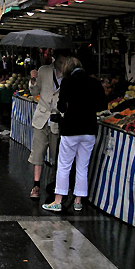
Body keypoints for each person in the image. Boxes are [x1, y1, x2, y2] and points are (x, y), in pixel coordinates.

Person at [42, 58, 107, 212]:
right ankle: (78, 201)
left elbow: (61, 107)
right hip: (89, 129)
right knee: (82, 166)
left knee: (64, 165)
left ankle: (58, 200)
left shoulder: (67, 82)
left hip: (71, 128)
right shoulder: (95, 83)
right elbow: (103, 105)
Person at [28, 49, 71, 199]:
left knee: (57, 156)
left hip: (58, 119)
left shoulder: (69, 74)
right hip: (41, 117)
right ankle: (36, 185)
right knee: (38, 153)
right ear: (55, 60)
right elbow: (34, 92)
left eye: (65, 62)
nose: (62, 65)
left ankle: (55, 186)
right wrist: (33, 80)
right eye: (60, 62)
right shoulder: (44, 70)